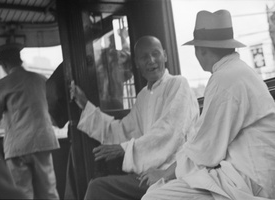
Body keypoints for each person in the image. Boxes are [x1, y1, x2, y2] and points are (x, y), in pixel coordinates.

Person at [141, 10, 275, 200]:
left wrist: (164, 173)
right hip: (257, 176)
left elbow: (204, 151)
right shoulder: (238, 71)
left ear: (201, 50)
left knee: (154, 196)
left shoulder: (225, 78)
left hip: (252, 182)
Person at [70, 35, 200, 200]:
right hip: (148, 173)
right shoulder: (143, 97)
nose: (151, 60)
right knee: (97, 186)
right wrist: (85, 105)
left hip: (175, 171)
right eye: (144, 57)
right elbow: (123, 130)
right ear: (137, 63)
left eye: (155, 53)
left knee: (98, 188)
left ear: (165, 55)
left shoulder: (178, 84)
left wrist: (125, 149)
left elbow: (169, 131)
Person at [0, 43, 60, 199]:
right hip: (43, 142)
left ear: (4, 64)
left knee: (22, 194)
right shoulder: (41, 79)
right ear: (19, 60)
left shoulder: (1, 85)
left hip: (17, 147)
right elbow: (52, 107)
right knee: (48, 191)